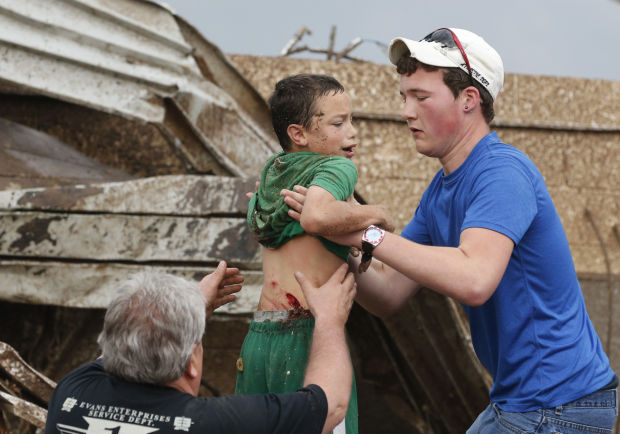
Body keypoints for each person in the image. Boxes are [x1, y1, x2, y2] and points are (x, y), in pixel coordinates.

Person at [282, 28, 618, 433]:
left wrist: (362, 234)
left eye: (421, 97)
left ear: (468, 100)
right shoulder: (440, 191)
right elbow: (388, 293)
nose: (407, 111)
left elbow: (474, 278)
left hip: (561, 406)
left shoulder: (502, 172)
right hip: (520, 401)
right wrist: (335, 237)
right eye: (404, 97)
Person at [238, 74, 393, 434]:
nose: (352, 132)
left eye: (351, 120)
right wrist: (380, 214)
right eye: (339, 123)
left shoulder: (274, 171)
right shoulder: (336, 167)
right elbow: (318, 216)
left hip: (259, 338)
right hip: (307, 338)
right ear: (299, 134)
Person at [44, 261, 357, 434]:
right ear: (191, 363)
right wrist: (329, 319)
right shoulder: (211, 424)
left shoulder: (72, 392)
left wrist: (190, 307)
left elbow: (123, 339)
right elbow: (330, 405)